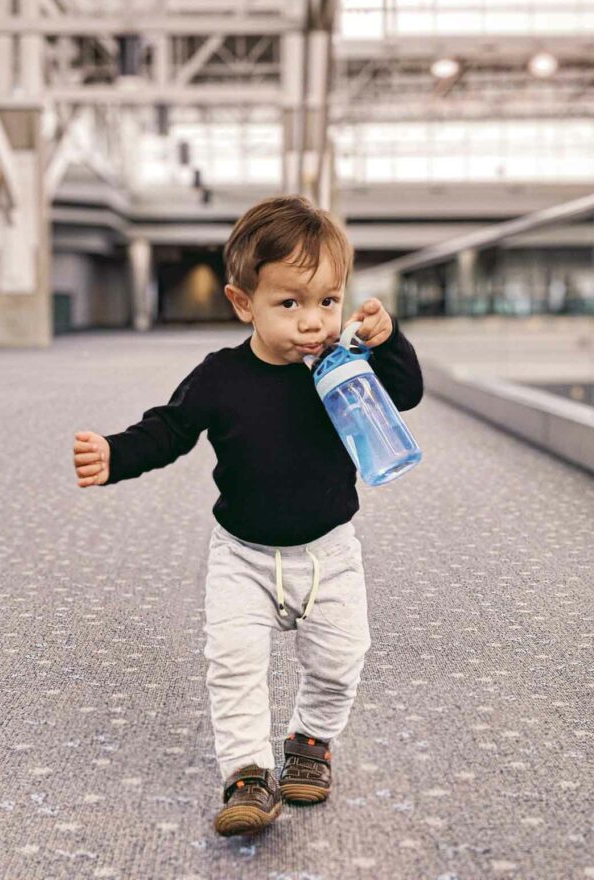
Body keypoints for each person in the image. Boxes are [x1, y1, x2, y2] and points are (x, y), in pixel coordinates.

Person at [73, 195, 423, 838]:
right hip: (242, 557)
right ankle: (247, 775)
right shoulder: (220, 377)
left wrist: (389, 339)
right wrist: (115, 455)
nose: (313, 322)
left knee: (342, 657)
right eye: (289, 304)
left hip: (330, 552)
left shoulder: (344, 368)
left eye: (327, 301)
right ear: (244, 304)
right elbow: (170, 429)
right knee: (232, 662)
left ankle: (310, 744)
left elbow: (406, 394)